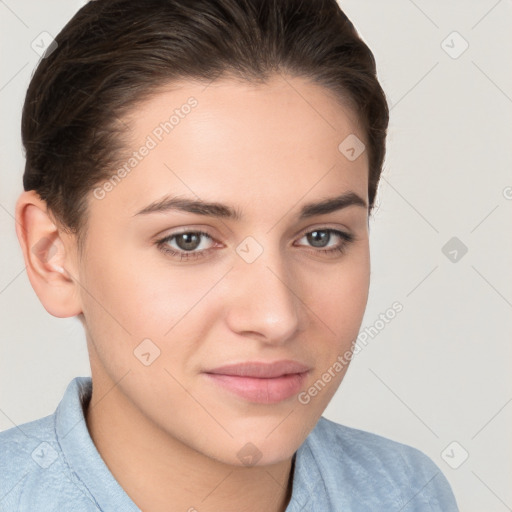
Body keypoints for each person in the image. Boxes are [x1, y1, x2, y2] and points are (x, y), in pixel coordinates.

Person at [0, 0, 459, 510]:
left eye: (321, 236)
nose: (275, 317)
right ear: (52, 255)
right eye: (188, 240)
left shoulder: (404, 493)